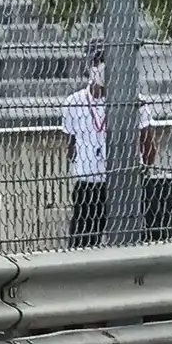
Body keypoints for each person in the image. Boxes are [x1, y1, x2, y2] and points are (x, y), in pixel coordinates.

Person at [59, 55, 113, 248]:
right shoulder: (73, 102)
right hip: (87, 183)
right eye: (97, 61)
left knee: (126, 238)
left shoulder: (133, 100)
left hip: (120, 182)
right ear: (89, 65)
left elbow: (147, 143)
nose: (102, 66)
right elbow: (70, 143)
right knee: (83, 241)